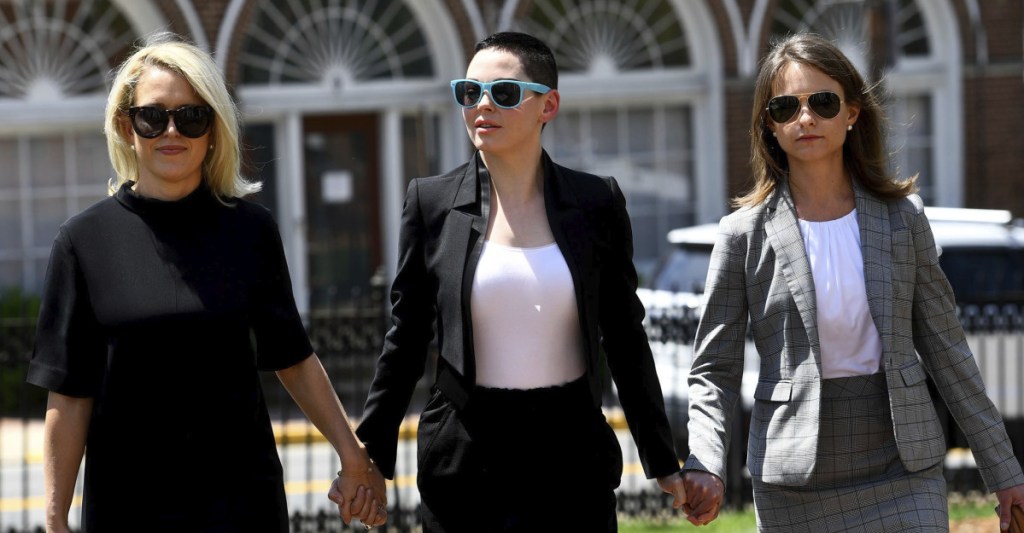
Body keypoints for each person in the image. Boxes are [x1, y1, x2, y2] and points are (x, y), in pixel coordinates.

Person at [27, 35, 387, 532]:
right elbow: (68, 394)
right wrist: (53, 516)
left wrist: (353, 455)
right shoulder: (83, 241)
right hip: (127, 505)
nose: (171, 131)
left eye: (191, 116)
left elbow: (294, 359)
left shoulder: (251, 231)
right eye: (153, 117)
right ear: (125, 126)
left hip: (240, 501)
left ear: (214, 129)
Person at [682, 32, 1024, 531]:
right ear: (769, 126)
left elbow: (948, 351)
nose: (805, 119)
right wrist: (705, 461)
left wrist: (1005, 471)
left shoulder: (902, 219)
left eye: (822, 102)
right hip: (793, 479)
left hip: (903, 464)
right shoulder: (743, 235)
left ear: (852, 113)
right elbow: (713, 367)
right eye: (785, 107)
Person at [351, 31, 686, 532]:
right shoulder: (431, 202)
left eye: (504, 93)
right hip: (464, 454)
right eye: (469, 92)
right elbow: (405, 342)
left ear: (547, 105)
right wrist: (370, 456)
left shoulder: (596, 202)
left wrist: (662, 459)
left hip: (571, 453)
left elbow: (624, 336)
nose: (482, 105)